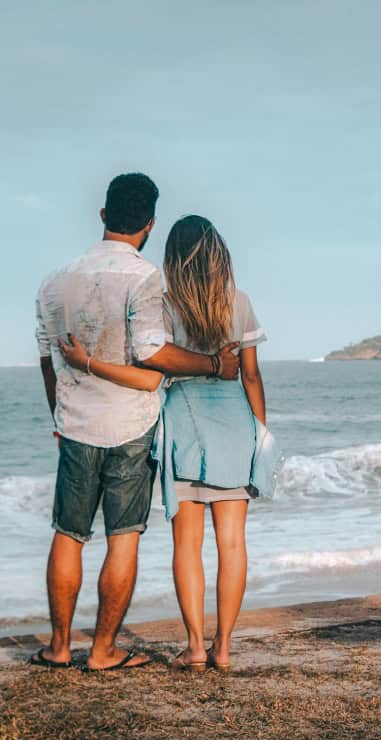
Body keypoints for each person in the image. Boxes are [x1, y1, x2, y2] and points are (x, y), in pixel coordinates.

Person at [33, 174, 241, 672]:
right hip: (130, 425)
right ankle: (103, 651)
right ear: (150, 223)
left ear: (103, 215)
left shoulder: (55, 280)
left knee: (68, 533)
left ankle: (59, 648)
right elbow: (152, 351)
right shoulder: (146, 278)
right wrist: (213, 365)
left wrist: (58, 416)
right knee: (122, 537)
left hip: (76, 424)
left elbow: (46, 360)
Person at [59, 214, 276, 672]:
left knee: (187, 545)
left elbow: (160, 368)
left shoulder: (166, 305)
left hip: (184, 424)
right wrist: (260, 431)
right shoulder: (240, 303)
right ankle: (223, 649)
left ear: (174, 259)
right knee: (233, 543)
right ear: (220, 254)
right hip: (234, 423)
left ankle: (196, 646)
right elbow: (251, 374)